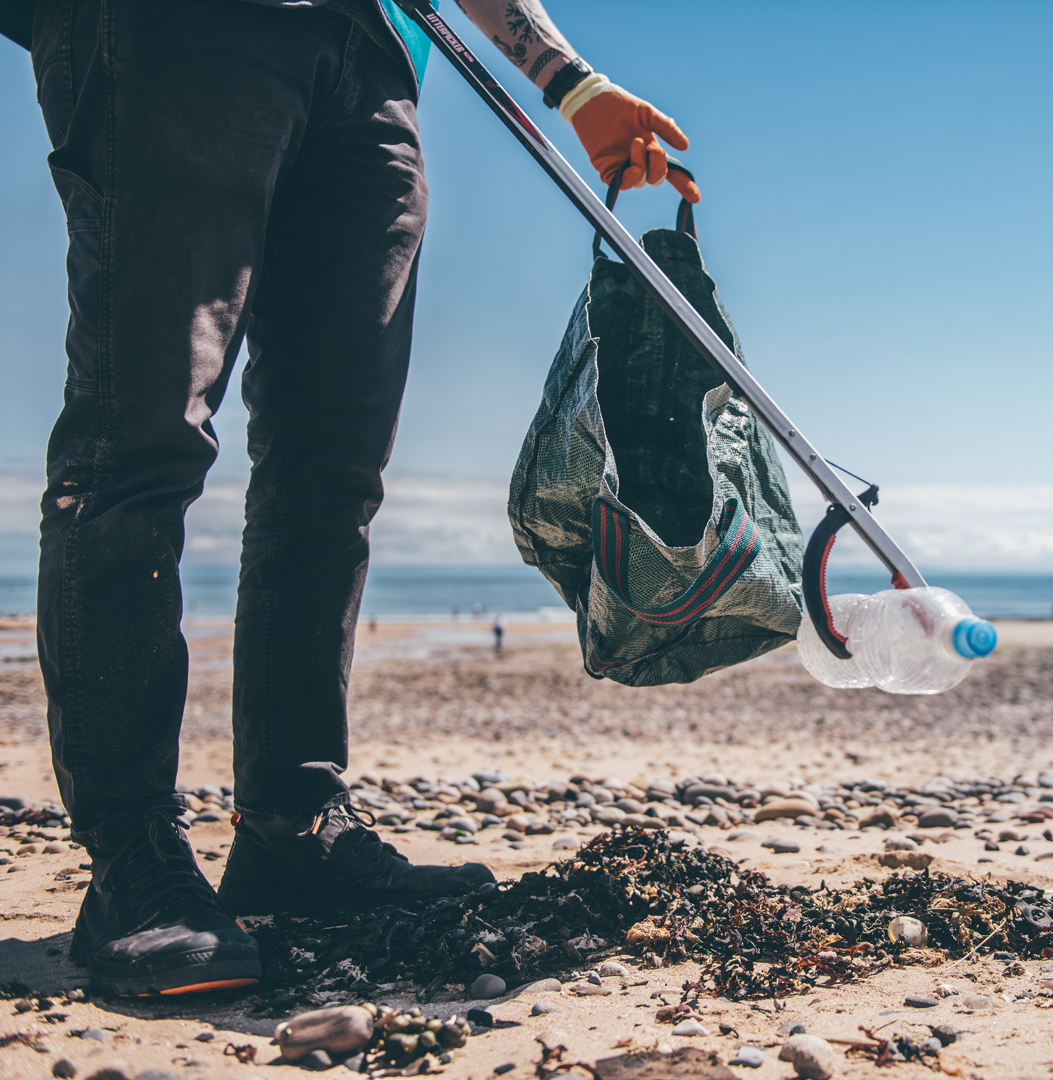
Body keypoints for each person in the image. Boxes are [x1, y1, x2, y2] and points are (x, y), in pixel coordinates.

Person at [6, 0, 698, 997]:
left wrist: (569, 81)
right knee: (139, 439)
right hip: (169, 30)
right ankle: (130, 866)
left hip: (371, 56)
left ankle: (295, 834)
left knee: (331, 475)